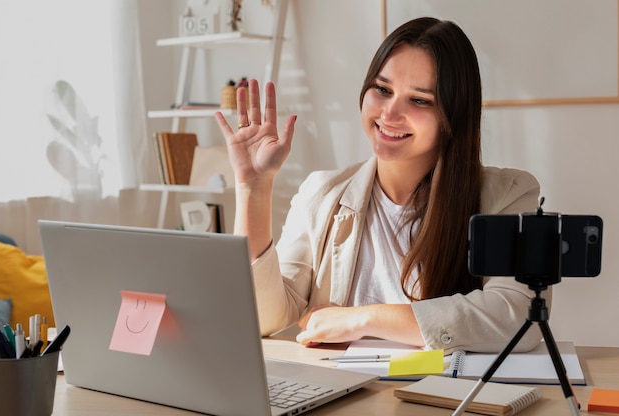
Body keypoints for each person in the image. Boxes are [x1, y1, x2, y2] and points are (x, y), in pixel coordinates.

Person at [214, 17, 547, 354]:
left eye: (419, 100)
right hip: (343, 396)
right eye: (383, 90)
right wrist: (253, 186)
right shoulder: (322, 192)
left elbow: (520, 317)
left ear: (453, 116)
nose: (389, 113)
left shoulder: (509, 195)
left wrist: (361, 319)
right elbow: (261, 318)